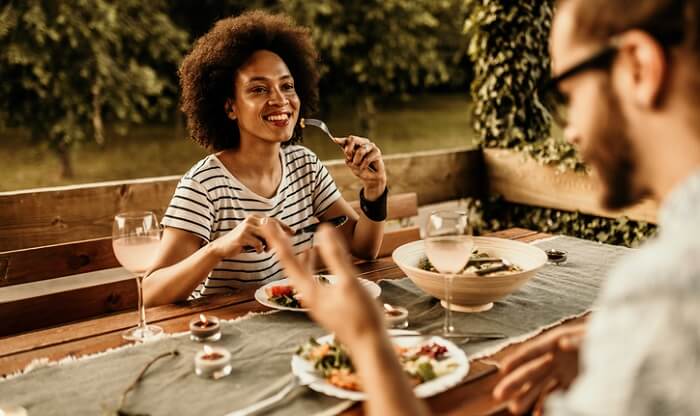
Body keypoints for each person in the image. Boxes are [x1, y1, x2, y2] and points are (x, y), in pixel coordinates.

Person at [263, 0, 700, 414]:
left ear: (640, 67)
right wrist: (623, 345)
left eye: (568, 93)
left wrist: (366, 343)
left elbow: (361, 245)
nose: (571, 132)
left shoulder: (668, 287)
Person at [143, 11, 388, 306]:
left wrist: (375, 191)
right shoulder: (203, 186)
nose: (280, 100)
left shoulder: (304, 166)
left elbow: (363, 248)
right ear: (230, 107)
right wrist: (218, 248)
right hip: (225, 332)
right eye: (259, 89)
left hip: (289, 323)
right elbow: (151, 292)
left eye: (286, 86)